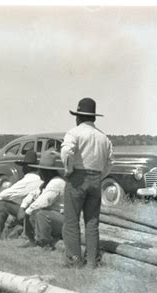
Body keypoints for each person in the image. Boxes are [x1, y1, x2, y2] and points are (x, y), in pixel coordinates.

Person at [60, 98, 114, 268]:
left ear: (78, 117)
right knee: (92, 222)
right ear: (93, 117)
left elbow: (67, 153)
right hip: (96, 179)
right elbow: (110, 163)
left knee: (71, 221)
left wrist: (68, 170)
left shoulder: (74, 133)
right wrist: (99, 175)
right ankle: (91, 262)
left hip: (77, 178)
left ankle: (74, 261)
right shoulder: (104, 138)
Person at [17, 148, 65, 250]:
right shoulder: (47, 182)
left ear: (48, 171)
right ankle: (31, 240)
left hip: (62, 220)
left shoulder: (57, 182)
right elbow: (33, 194)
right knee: (34, 210)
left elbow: (44, 201)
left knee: (41, 213)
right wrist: (23, 206)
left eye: (42, 170)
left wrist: (27, 211)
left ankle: (45, 243)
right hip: (54, 218)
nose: (39, 172)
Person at [0, 150, 43, 240]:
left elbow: (3, 195)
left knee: (3, 204)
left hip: (31, 214)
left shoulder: (28, 179)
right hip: (41, 214)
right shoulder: (41, 178)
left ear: (26, 168)